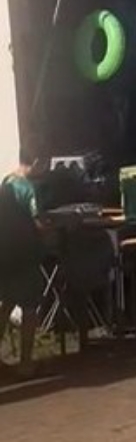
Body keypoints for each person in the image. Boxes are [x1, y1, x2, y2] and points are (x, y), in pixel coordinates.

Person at [0, 152, 44, 379]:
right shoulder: (28, 188)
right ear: (35, 162)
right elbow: (36, 220)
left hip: (4, 252)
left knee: (6, 303)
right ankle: (26, 363)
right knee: (29, 306)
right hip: (24, 252)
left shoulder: (6, 182)